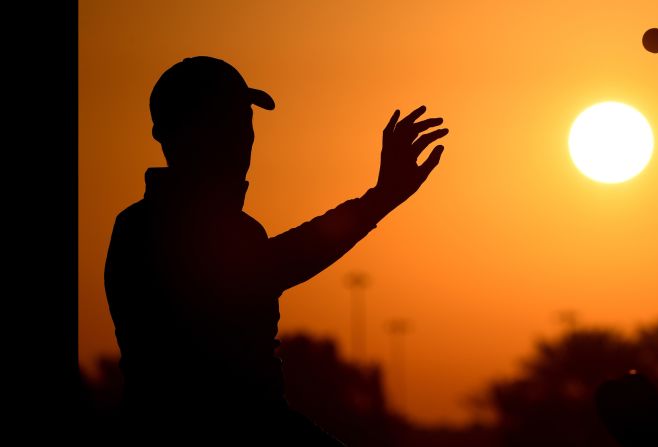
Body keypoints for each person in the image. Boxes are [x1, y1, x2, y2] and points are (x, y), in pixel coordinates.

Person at [103, 56, 448, 442]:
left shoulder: (233, 229)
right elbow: (271, 266)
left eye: (243, 124)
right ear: (176, 134)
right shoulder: (151, 229)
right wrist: (379, 199)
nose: (242, 140)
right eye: (223, 125)